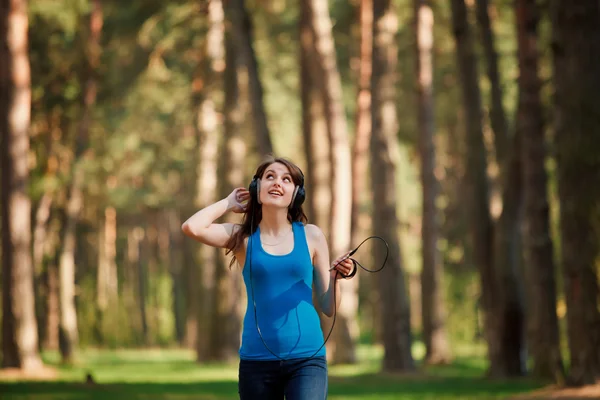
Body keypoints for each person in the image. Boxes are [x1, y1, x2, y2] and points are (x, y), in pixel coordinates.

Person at [181, 155, 356, 400]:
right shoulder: (242, 238)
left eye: (286, 179)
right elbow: (192, 227)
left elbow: (328, 307)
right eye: (270, 177)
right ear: (256, 187)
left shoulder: (312, 236)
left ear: (296, 193)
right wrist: (228, 202)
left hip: (307, 358)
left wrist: (337, 276)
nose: (277, 183)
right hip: (257, 359)